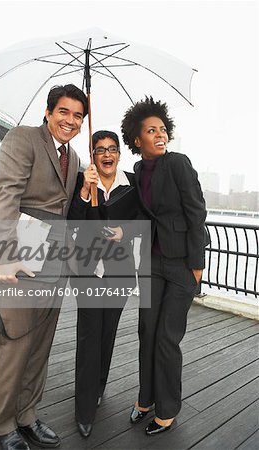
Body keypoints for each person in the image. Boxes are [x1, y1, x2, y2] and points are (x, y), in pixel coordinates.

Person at [0, 84, 88, 450]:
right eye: (64, 112)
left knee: (41, 344)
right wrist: (1, 254)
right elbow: (6, 194)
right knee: (16, 342)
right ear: (48, 112)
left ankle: (27, 415)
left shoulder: (74, 157)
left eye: (78, 116)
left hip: (55, 259)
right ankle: (2, 426)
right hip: (20, 253)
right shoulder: (23, 138)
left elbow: (69, 211)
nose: (70, 121)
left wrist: (86, 189)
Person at [121, 97, 208, 435]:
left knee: (167, 339)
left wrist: (196, 265)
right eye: (150, 130)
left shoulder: (178, 164)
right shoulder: (139, 171)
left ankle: (167, 409)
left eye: (162, 129)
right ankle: (146, 399)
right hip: (151, 264)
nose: (159, 134)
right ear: (136, 139)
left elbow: (196, 212)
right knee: (147, 332)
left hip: (182, 265)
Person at [68, 130, 137, 438]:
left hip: (120, 274)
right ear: (92, 155)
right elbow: (72, 224)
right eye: (100, 150)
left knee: (107, 334)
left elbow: (148, 220)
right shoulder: (84, 183)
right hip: (89, 273)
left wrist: (126, 231)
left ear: (119, 154)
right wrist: (85, 190)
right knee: (88, 337)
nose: (107, 155)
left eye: (112, 149)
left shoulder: (132, 185)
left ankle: (98, 387)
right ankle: (84, 410)